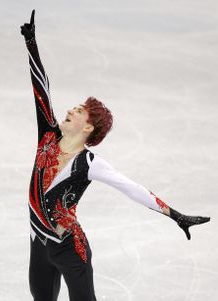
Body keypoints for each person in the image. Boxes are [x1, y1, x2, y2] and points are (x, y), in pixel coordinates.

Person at [20, 10, 210, 301]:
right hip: (39, 246)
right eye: (74, 106)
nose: (70, 110)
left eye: (78, 111)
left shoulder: (89, 163)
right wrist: (31, 43)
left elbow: (131, 189)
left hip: (71, 248)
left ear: (87, 127)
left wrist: (176, 215)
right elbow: (41, 89)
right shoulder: (47, 135)